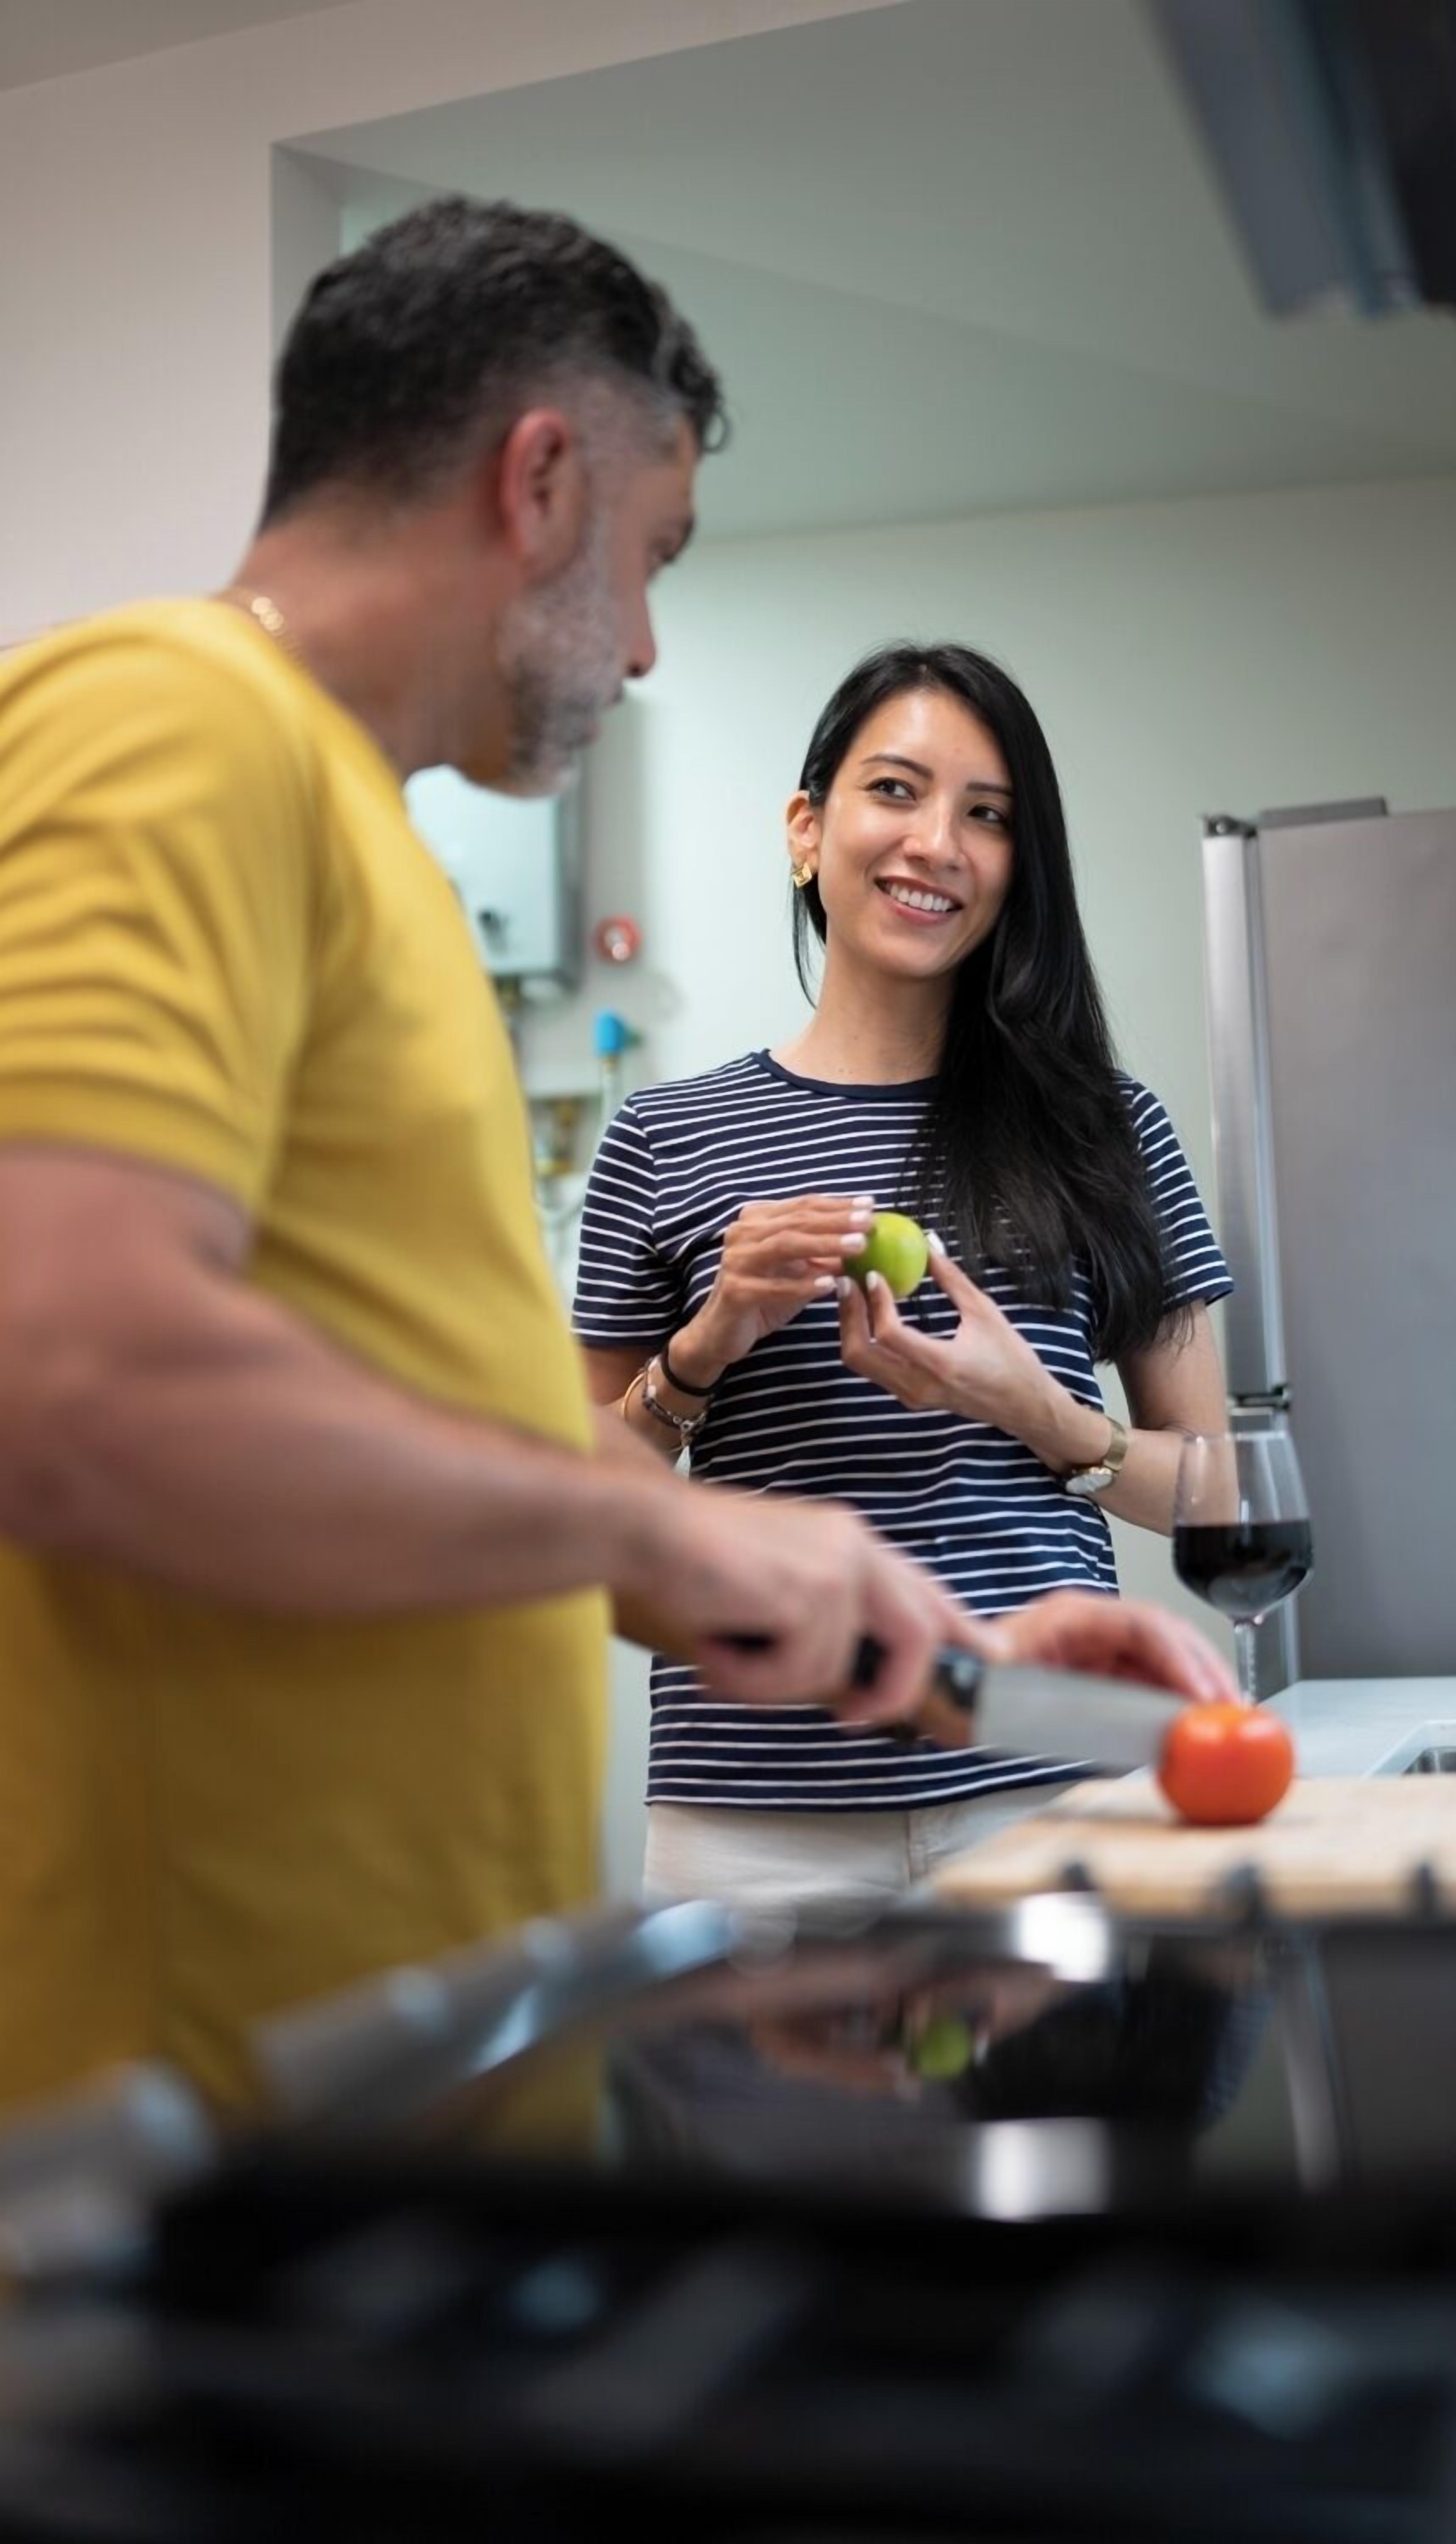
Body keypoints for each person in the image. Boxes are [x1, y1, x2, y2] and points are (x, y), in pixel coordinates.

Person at [0, 209, 1224, 2118]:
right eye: (649, 563)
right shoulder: (169, 722)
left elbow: (450, 1444)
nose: (643, 645)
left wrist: (943, 1652)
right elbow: (66, 1374)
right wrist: (666, 1506)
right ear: (542, 481)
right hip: (208, 2080)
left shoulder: (372, 849)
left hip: (414, 2032)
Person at [574, 642, 1236, 1911]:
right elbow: (584, 1492)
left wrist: (1037, 1411)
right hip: (749, 1816)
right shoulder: (663, 1137)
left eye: (988, 817)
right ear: (807, 828)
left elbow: (1221, 1496)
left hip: (1051, 1777)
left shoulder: (1109, 1127)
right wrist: (703, 1349)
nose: (938, 843)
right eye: (897, 791)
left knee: (1054, 2118)